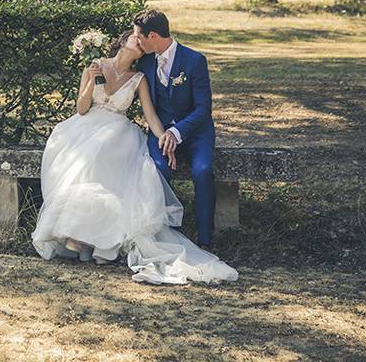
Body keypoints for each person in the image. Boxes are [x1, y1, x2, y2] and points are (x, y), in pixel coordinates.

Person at [30, 29, 237, 284]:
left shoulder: (139, 78)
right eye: (135, 39)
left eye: (142, 42)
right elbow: (81, 109)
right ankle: (78, 236)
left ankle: (104, 244)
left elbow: (151, 116)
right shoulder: (94, 66)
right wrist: (90, 82)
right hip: (85, 127)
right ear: (121, 42)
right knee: (87, 157)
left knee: (108, 156)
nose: (139, 43)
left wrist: (165, 138)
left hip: (118, 131)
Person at [133, 8, 216, 249]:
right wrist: (164, 135)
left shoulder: (194, 60)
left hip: (195, 132)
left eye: (139, 37)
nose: (137, 41)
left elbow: (203, 109)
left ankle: (205, 240)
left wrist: (177, 132)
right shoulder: (145, 61)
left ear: (153, 37)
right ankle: (163, 235)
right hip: (160, 133)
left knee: (203, 170)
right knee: (157, 169)